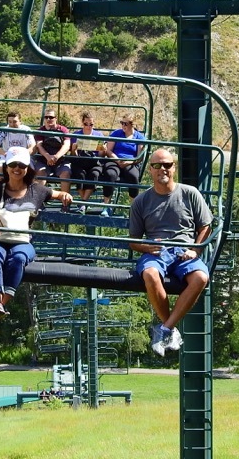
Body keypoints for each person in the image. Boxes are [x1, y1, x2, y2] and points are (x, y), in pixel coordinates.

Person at [128, 148, 212, 356]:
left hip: (185, 251)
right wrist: (147, 247)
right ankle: (169, 329)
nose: (162, 169)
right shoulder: (141, 201)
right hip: (157, 252)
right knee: (149, 274)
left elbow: (206, 226)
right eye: (157, 165)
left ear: (174, 167)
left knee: (201, 277)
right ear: (150, 170)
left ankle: (165, 328)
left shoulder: (189, 193)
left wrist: (195, 249)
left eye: (167, 165)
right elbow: (133, 242)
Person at [0, 146, 73, 323]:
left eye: (21, 165)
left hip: (22, 240)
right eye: (13, 164)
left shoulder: (36, 190)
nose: (17, 168)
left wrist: (65, 195)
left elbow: (57, 193)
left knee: (20, 258)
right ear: (6, 167)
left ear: (27, 168)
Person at [100, 112, 146, 216]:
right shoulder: (117, 133)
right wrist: (117, 159)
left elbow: (139, 157)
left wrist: (128, 162)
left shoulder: (139, 137)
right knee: (110, 174)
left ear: (132, 125)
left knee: (134, 176)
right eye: (122, 123)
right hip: (115, 160)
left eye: (126, 124)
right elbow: (108, 150)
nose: (123, 126)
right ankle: (106, 206)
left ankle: (133, 208)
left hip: (130, 162)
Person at [32, 109, 73, 207]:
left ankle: (65, 203)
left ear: (55, 118)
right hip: (44, 160)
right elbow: (39, 146)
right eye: (46, 117)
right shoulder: (40, 131)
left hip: (60, 160)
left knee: (65, 174)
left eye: (51, 117)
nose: (48, 119)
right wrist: (48, 157)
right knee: (40, 173)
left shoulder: (63, 130)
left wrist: (56, 157)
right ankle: (37, 202)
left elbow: (67, 145)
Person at [69, 111, 106, 214]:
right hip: (80, 161)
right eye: (86, 124)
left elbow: (102, 156)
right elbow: (73, 155)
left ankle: (83, 203)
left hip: (94, 162)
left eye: (91, 124)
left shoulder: (99, 135)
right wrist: (74, 149)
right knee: (79, 174)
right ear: (82, 123)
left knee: (94, 174)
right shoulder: (76, 135)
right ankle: (84, 202)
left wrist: (103, 150)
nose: (89, 127)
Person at [0, 111, 35, 177]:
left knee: (31, 171)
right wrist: (5, 153)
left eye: (15, 122)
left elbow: (33, 146)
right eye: (10, 122)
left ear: (20, 121)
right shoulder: (4, 131)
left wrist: (25, 153)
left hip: (22, 158)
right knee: (0, 170)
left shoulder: (26, 130)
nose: (12, 124)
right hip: (6, 157)